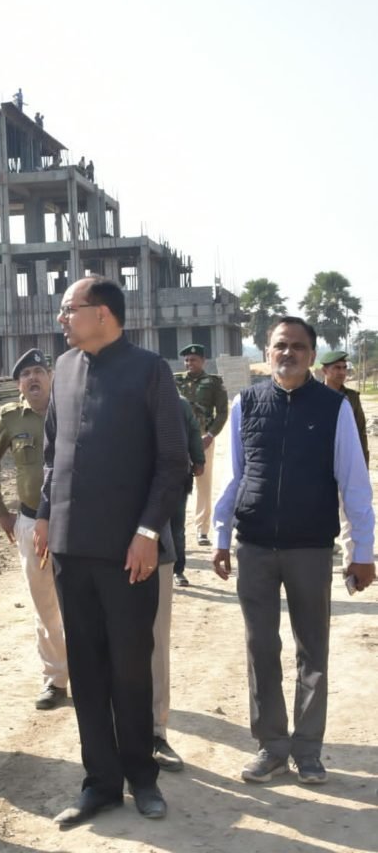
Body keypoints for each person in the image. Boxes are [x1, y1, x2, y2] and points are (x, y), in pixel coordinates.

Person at [35, 276, 188, 828]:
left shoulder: (149, 370)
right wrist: (46, 515)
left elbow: (173, 462)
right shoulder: (65, 368)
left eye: (68, 309)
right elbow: (53, 452)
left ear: (102, 313)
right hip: (71, 549)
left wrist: (148, 532)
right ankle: (100, 783)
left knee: (129, 668)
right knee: (87, 669)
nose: (61, 318)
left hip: (129, 552)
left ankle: (141, 777)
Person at [212, 317, 375, 786]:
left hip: (310, 547)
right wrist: (221, 537)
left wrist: (361, 550)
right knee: (260, 648)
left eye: (298, 347)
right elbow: (234, 476)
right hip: (256, 546)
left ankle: (308, 751)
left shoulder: (333, 407)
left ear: (312, 354)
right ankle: (271, 747)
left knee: (313, 651)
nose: (288, 353)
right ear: (267, 352)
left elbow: (354, 484)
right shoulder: (246, 403)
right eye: (280, 345)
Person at [0, 348, 68, 711]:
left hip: (75, 523)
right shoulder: (9, 418)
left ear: (51, 377)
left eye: (38, 371)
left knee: (82, 602)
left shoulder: (72, 410)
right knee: (44, 605)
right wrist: (1, 514)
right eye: (25, 374)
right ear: (19, 384)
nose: (32, 378)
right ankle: (56, 679)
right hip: (31, 522)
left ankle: (92, 674)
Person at [151, 395, 205, 774]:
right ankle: (115, 738)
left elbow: (174, 472)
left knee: (154, 646)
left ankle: (155, 733)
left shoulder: (165, 407)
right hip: (98, 552)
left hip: (154, 547)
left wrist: (146, 532)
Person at [320, 349, 371, 568]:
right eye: (336, 368)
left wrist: (362, 467)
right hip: (321, 465)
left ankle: (351, 562)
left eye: (344, 368)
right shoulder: (314, 397)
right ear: (324, 371)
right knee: (320, 511)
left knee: (350, 513)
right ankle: (323, 551)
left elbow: (360, 434)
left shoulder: (351, 398)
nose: (342, 372)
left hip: (347, 463)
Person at [174, 343, 228, 546]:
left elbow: (222, 412)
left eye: (194, 360)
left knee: (203, 485)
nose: (190, 363)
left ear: (203, 361)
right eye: (187, 360)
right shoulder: (175, 381)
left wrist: (211, 435)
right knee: (175, 482)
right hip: (178, 438)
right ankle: (175, 529)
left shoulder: (213, 382)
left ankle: (202, 530)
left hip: (203, 439)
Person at [169, 397, 206, 589]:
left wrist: (198, 460)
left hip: (176, 475)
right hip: (148, 475)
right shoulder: (140, 398)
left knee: (176, 526)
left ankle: (177, 569)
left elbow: (193, 432)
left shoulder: (180, 404)